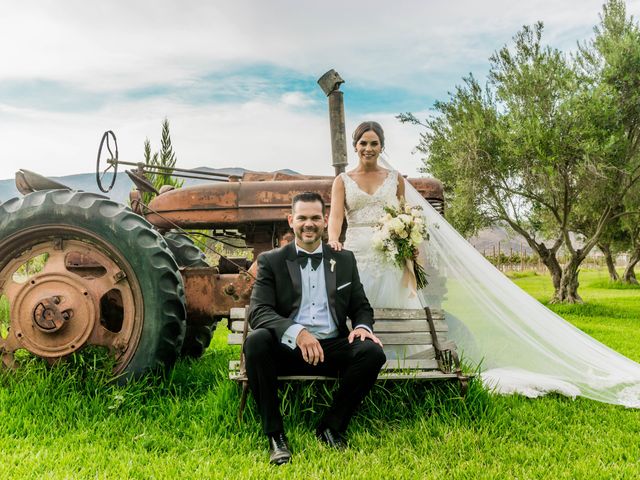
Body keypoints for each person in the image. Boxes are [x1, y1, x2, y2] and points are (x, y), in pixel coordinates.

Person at [245, 191, 386, 465]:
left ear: (325, 222)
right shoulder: (271, 261)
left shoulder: (345, 260)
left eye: (314, 218)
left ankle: (331, 427)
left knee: (372, 352)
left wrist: (361, 327)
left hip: (332, 348)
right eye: (302, 218)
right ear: (291, 220)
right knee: (257, 342)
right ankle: (275, 436)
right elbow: (259, 312)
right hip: (288, 351)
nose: (308, 224)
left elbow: (361, 305)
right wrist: (298, 332)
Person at [328, 121, 423, 359]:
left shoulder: (395, 178)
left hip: (389, 252)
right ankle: (356, 355)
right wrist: (333, 240)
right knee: (357, 301)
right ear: (355, 146)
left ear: (381, 147)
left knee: (394, 301)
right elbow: (336, 216)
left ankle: (397, 359)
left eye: (374, 143)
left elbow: (404, 214)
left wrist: (410, 244)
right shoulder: (342, 180)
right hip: (356, 251)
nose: (368, 148)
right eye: (363, 143)